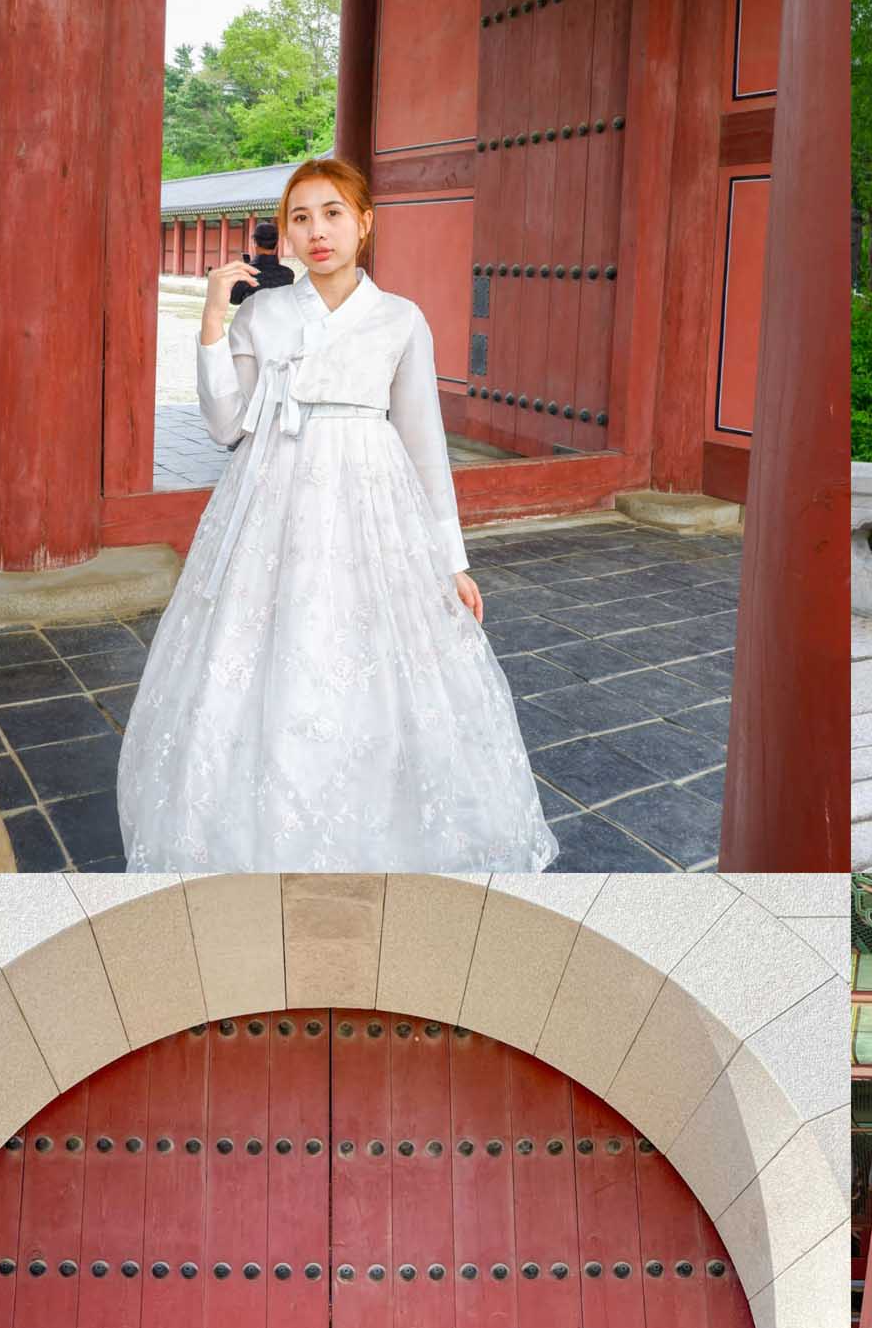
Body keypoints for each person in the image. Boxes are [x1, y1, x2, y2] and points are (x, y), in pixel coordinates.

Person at [118, 157, 558, 874]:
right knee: (267, 648)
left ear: (365, 223)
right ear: (286, 234)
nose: (316, 232)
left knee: (373, 658)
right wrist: (209, 321)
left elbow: (423, 442)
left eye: (331, 214)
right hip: (270, 499)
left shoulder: (399, 320)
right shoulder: (265, 312)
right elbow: (227, 425)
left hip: (371, 502)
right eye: (299, 217)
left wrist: (451, 561)